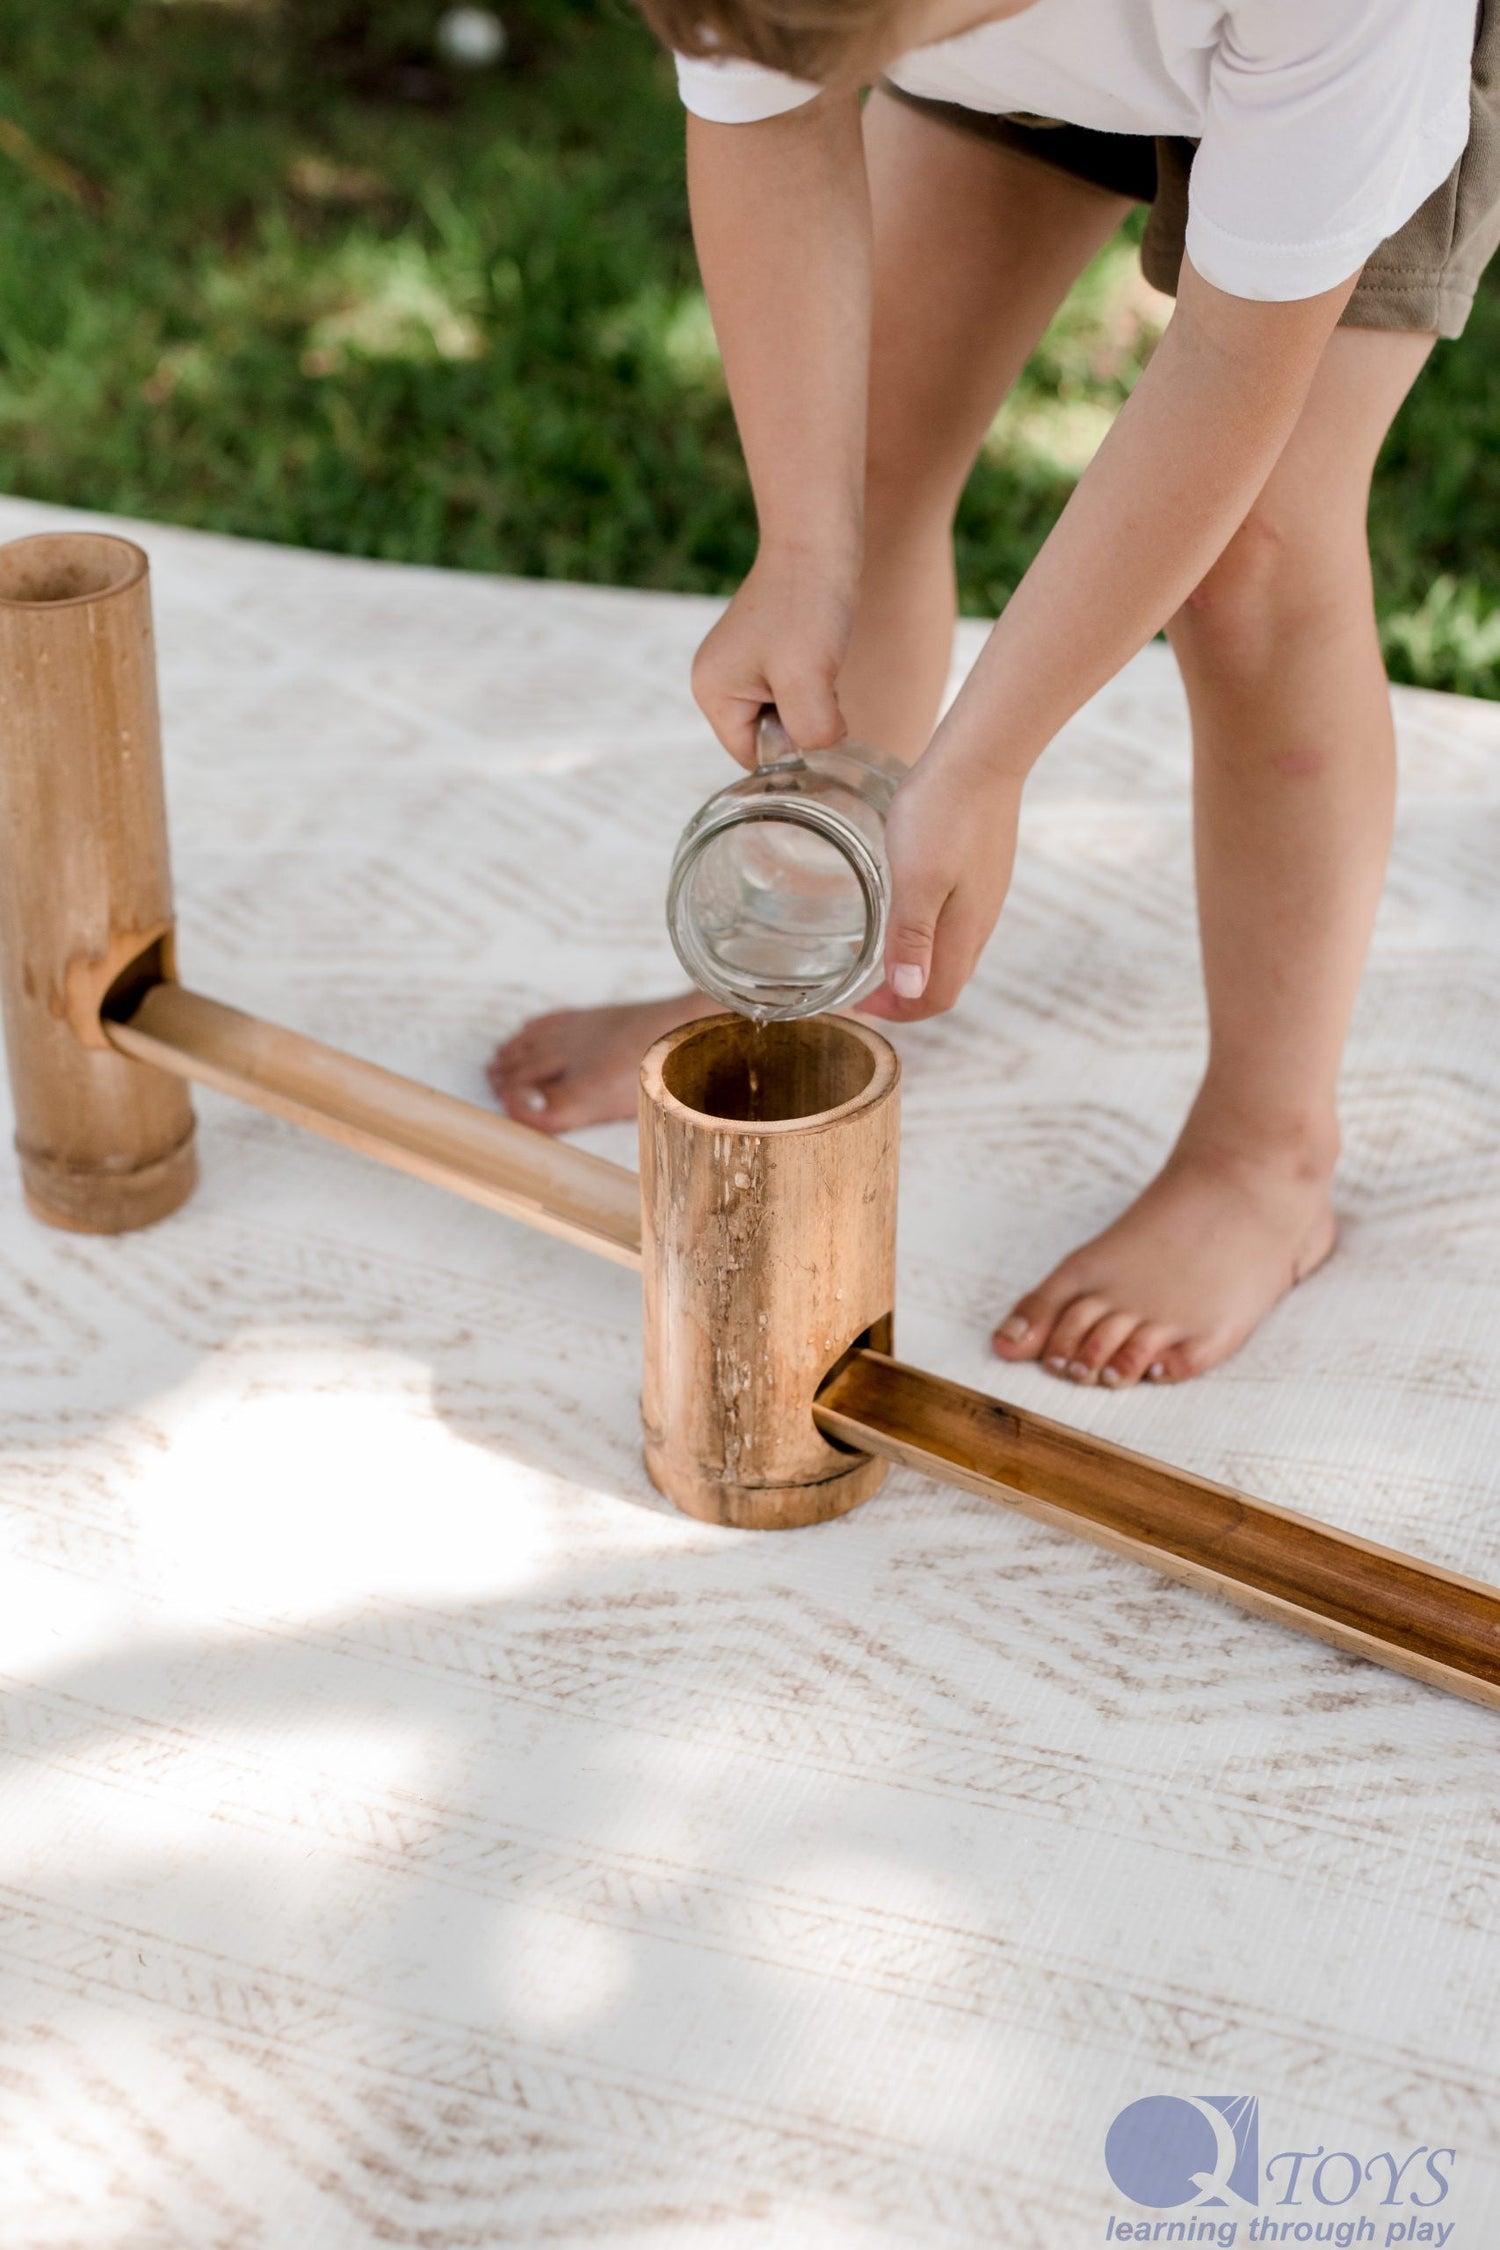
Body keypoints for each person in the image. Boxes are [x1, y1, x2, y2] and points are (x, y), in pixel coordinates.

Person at [490, 0, 1500, 1389]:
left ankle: (1267, 1157)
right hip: (1040, 38)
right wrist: (803, 547)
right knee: (864, 447)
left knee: (1254, 559)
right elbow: (764, 119)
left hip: (1318, 61)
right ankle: (810, 960)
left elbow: (1227, 360)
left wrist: (983, 763)